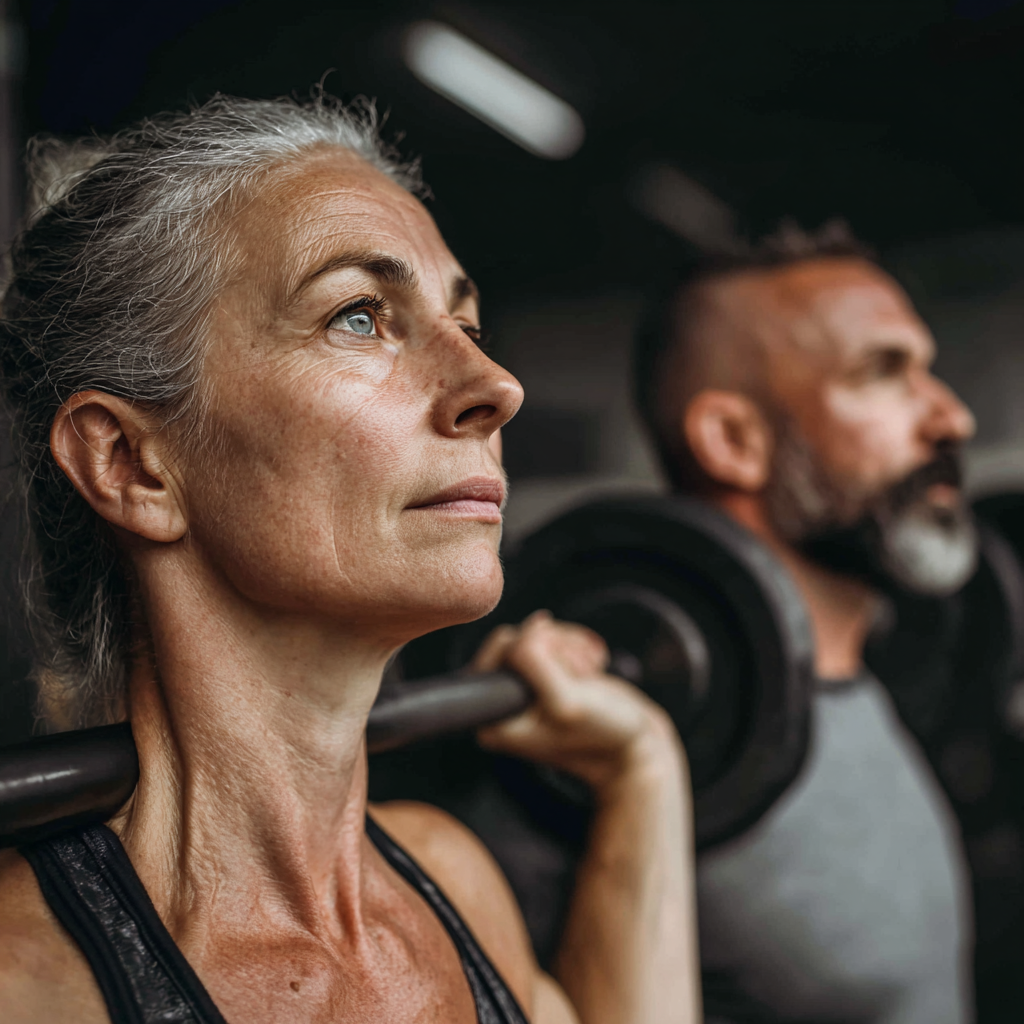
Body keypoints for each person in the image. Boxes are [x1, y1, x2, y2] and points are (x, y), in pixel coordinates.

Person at [0, 94, 700, 1024]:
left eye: (470, 324)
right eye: (360, 316)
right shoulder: (30, 985)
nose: (495, 386)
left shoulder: (455, 890)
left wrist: (644, 770)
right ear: (132, 466)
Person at [633, 224, 980, 1024]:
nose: (951, 417)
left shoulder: (857, 687)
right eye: (882, 373)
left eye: (927, 370)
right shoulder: (629, 763)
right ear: (733, 441)